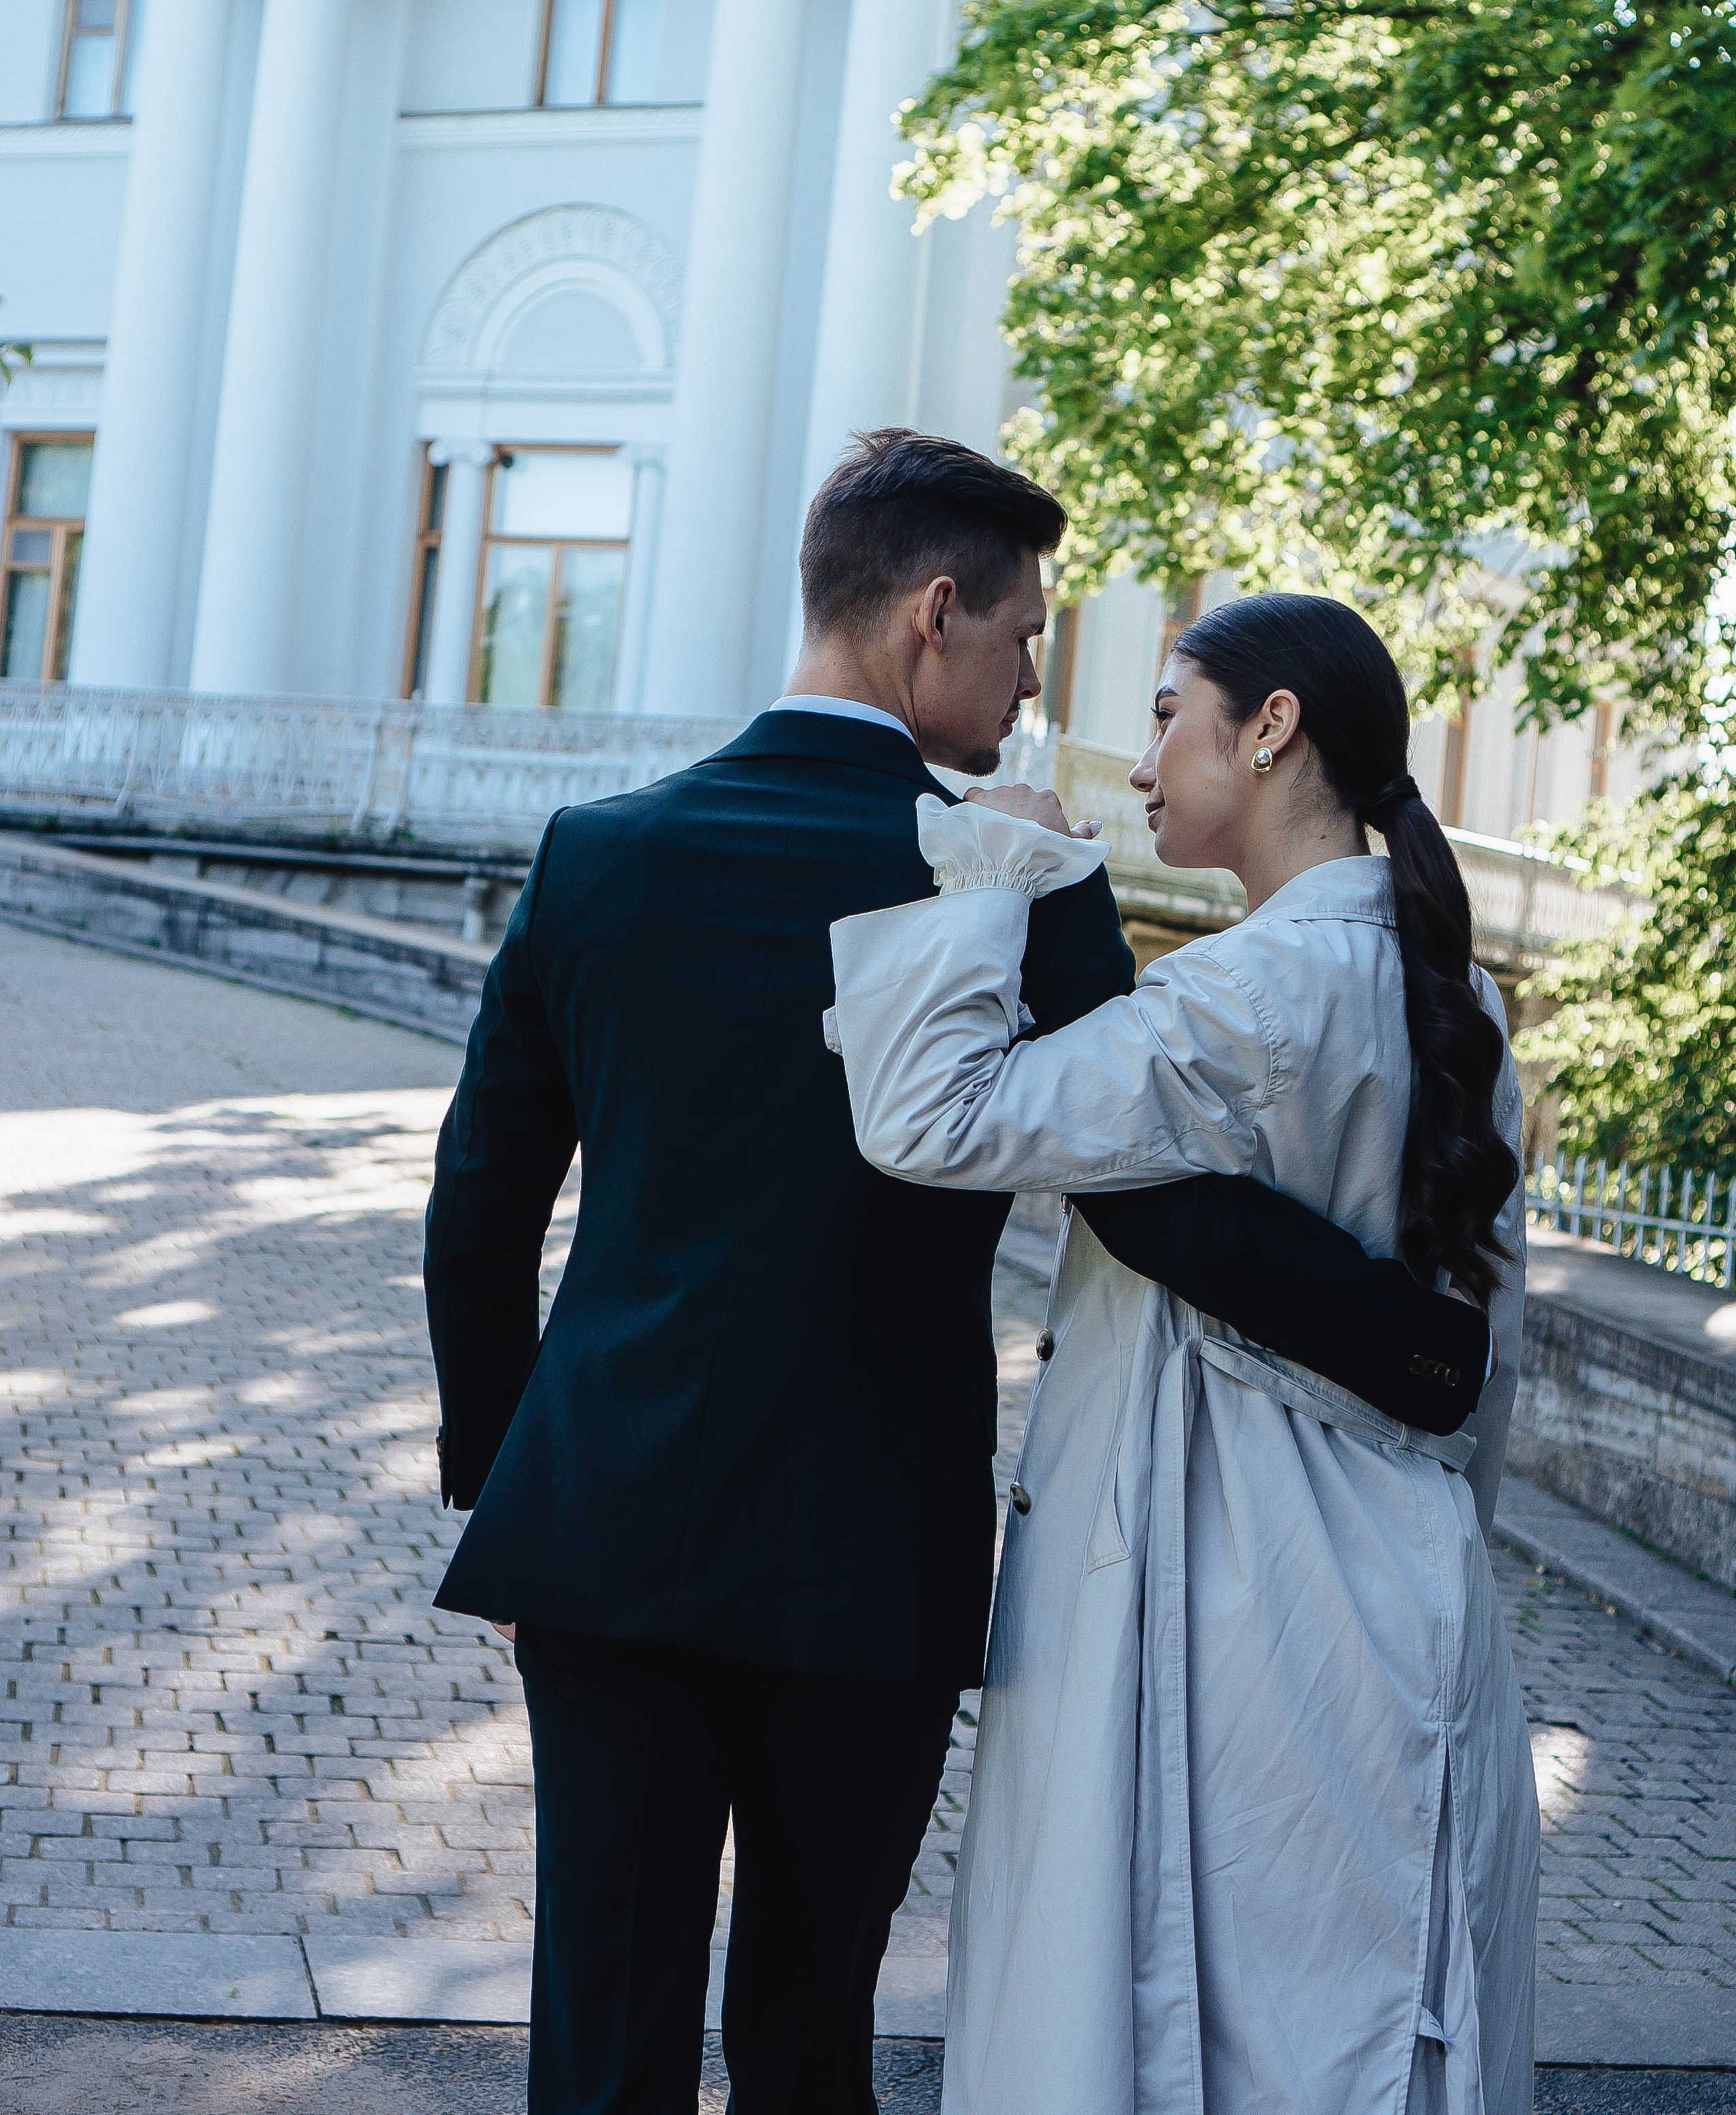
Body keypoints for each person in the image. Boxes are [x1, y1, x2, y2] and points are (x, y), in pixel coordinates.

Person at [423, 444, 1494, 2115]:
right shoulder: (1019, 876)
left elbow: (482, 1203)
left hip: (606, 1530)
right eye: (1024, 642)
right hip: (873, 1548)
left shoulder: (601, 851)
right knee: (808, 2032)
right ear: (936, 617)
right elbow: (1142, 1201)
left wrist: (505, 1466)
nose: (1031, 691)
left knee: (602, 2027)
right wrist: (1410, 1346)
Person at [827, 589, 1539, 2115]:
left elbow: (925, 1116)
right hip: (1409, 1599)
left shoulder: (1242, 998)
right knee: (1367, 2031)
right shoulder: (1457, 1000)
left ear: (1269, 727)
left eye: (1166, 712)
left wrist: (992, 864)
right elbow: (1491, 1364)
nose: (1138, 759)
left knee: (1199, 2032)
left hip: (1225, 1589)